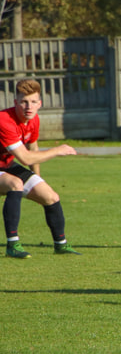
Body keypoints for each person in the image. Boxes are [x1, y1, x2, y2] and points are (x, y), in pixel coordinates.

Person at [0, 79, 80, 257]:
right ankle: (12, 245)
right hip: (5, 167)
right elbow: (25, 157)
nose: (29, 106)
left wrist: (37, 180)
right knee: (15, 184)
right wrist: (57, 150)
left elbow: (32, 148)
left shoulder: (34, 119)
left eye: (33, 102)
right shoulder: (4, 121)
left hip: (6, 164)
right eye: (24, 101)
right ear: (15, 102)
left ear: (40, 104)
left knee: (50, 196)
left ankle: (61, 245)